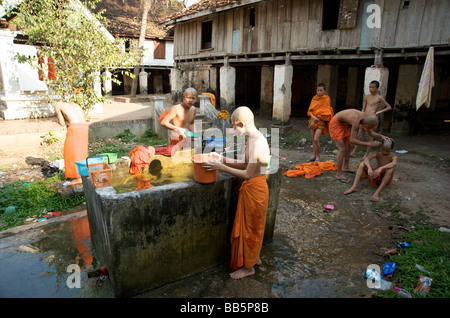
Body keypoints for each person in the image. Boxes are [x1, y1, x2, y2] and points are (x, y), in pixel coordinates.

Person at [202, 106, 271, 280]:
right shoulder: (251, 138)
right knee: (253, 227)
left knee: (251, 229)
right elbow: (244, 164)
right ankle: (254, 258)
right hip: (252, 188)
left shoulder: (257, 142)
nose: (233, 130)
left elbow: (247, 174)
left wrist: (221, 167)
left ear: (242, 124)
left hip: (256, 189)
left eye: (234, 127)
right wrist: (222, 159)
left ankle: (248, 268)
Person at [328, 109, 389, 183]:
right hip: (336, 123)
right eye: (368, 127)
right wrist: (369, 144)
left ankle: (346, 167)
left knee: (349, 146)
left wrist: (381, 136)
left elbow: (371, 133)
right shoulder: (356, 120)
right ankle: (339, 174)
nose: (368, 129)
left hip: (343, 123)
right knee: (343, 149)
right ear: (366, 123)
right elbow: (352, 140)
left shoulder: (366, 118)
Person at [350, 80, 392, 158]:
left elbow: (389, 107)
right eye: (370, 87)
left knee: (370, 136)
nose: (371, 89)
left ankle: (366, 154)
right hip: (364, 118)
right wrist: (360, 116)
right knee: (359, 136)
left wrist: (378, 112)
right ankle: (354, 152)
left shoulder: (379, 98)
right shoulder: (367, 96)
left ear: (377, 88)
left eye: (373, 87)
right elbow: (363, 108)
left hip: (372, 119)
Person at [54, 102, 88, 186]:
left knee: (71, 152)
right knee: (81, 151)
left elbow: (62, 123)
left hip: (74, 128)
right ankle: (83, 174)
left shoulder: (58, 105)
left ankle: (78, 178)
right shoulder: (76, 104)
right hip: (85, 127)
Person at [306, 83, 334, 162]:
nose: (319, 92)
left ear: (325, 91)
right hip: (312, 120)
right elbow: (310, 111)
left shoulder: (326, 99)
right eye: (318, 90)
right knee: (313, 139)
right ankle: (314, 155)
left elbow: (325, 111)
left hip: (320, 121)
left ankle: (318, 156)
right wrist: (313, 118)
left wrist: (315, 120)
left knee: (316, 139)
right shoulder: (314, 98)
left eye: (321, 90)